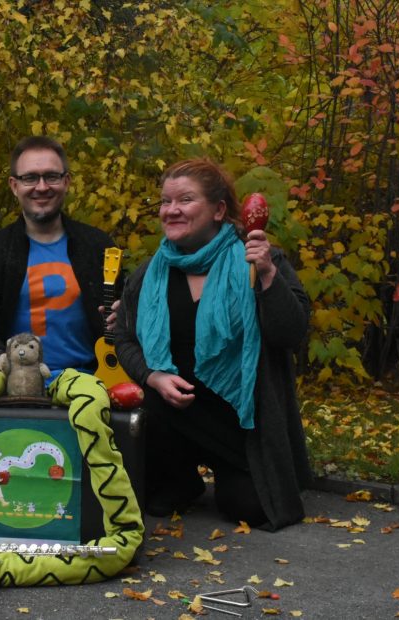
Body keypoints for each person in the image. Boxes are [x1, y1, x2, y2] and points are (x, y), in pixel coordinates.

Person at [114, 158, 313, 530]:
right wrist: (153, 376)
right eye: (165, 202)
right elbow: (124, 338)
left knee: (251, 508)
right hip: (174, 418)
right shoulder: (149, 273)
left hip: (239, 424)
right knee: (152, 499)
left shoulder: (257, 259)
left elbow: (291, 333)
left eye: (185, 200)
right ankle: (181, 480)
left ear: (219, 210)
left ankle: (234, 473)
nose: (171, 210)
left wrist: (268, 276)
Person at [0, 136, 117, 379]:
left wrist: (124, 318)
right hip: (13, 383)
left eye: (51, 176)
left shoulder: (98, 245)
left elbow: (125, 315)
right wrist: (0, 361)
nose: (42, 187)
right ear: (14, 186)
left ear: (66, 182)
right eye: (30, 178)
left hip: (91, 379)